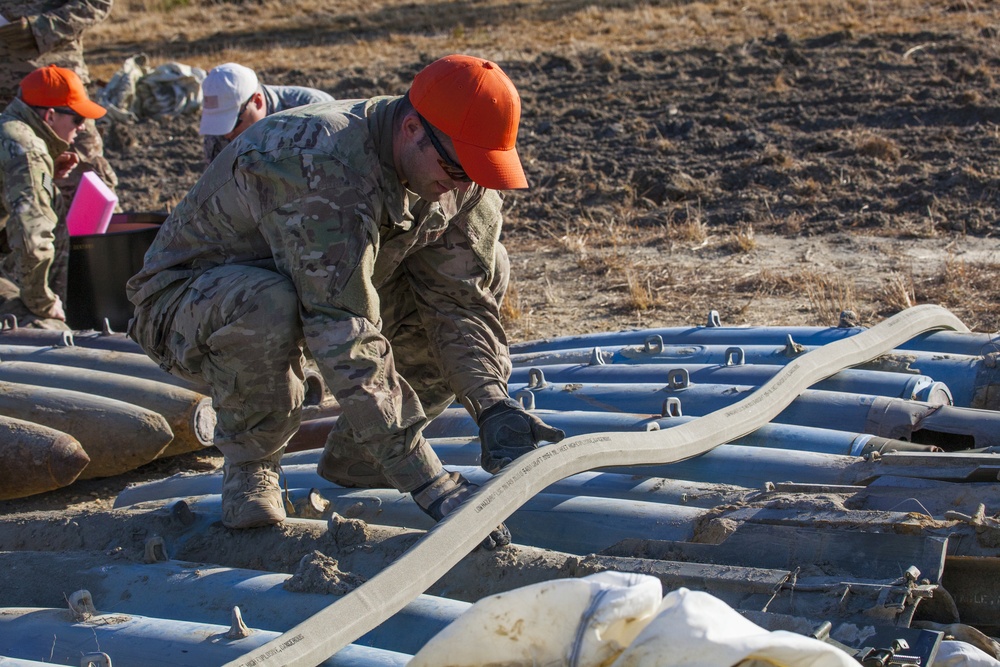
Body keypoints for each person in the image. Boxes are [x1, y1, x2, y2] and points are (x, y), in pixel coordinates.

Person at [127, 53, 565, 547]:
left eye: (476, 173)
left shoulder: (457, 179)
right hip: (192, 304)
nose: (461, 183)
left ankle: (362, 457)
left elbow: (459, 301)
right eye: (453, 168)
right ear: (410, 128)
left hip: (324, 288)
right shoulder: (320, 164)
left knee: (489, 265)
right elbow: (341, 329)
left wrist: (490, 403)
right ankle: (251, 468)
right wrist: (428, 481)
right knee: (268, 304)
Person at [0, 65, 106, 328]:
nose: (82, 128)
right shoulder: (27, 151)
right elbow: (31, 236)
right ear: (49, 116)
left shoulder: (9, 130)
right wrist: (43, 304)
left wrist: (46, 177)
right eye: (78, 120)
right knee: (51, 334)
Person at [0, 0, 118, 198]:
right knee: (18, 177)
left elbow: (97, 3)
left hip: (56, 89)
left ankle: (88, 228)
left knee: (81, 175)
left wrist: (38, 28)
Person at [199, 62, 333, 165]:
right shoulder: (218, 133)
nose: (226, 134)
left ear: (257, 101)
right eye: (219, 124)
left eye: (233, 123)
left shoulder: (315, 114)